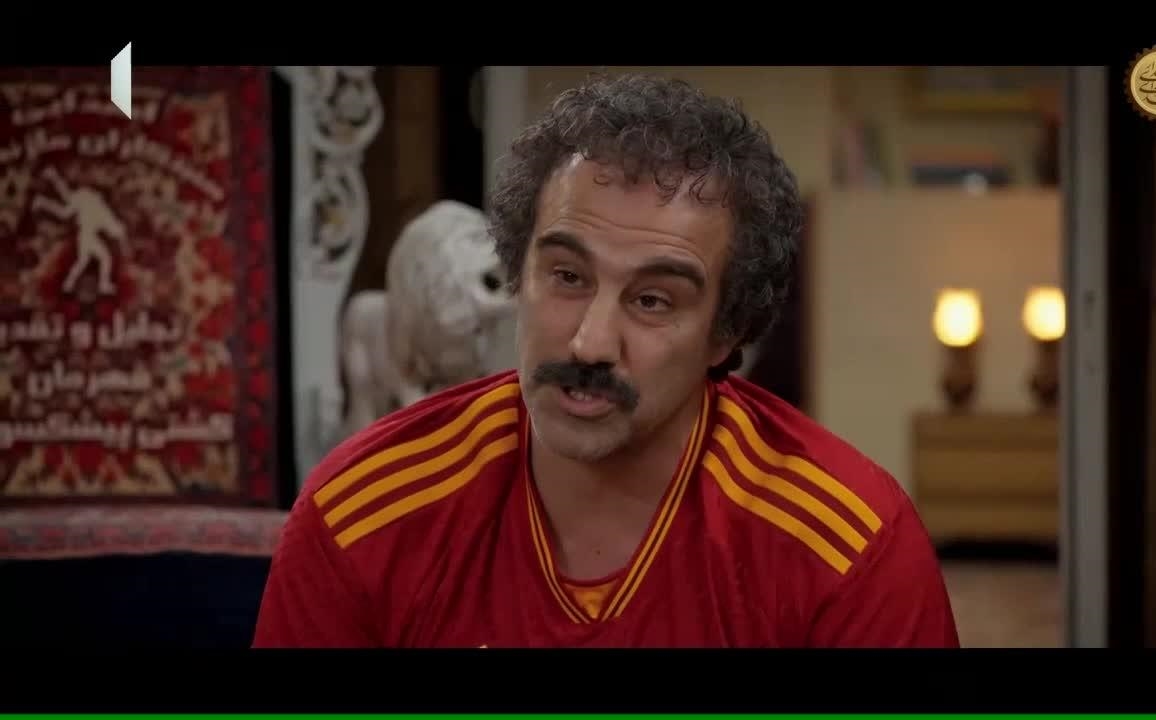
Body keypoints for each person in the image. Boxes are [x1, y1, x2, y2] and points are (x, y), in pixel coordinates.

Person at [253, 72, 960, 648]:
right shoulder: (360, 513)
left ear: (726, 333)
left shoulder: (849, 549)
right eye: (566, 276)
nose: (589, 343)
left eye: (652, 300)